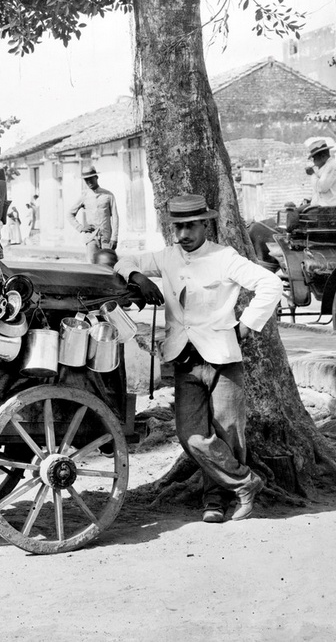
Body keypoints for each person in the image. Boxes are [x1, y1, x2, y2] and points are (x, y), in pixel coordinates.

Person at [116, 194, 281, 524]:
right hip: (185, 360)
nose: (183, 235)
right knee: (191, 435)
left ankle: (216, 501)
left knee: (228, 434)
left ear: (206, 224)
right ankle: (247, 483)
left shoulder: (225, 258)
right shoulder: (167, 257)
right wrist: (138, 277)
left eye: (190, 226)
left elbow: (270, 283)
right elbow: (121, 260)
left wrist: (248, 323)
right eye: (178, 227)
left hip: (223, 357)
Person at [69, 165, 120, 262]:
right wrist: (80, 228)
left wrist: (114, 238)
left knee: (107, 265)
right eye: (86, 180)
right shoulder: (84, 196)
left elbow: (115, 218)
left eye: (91, 178)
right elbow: (70, 214)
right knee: (92, 266)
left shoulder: (108, 195)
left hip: (106, 239)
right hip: (91, 238)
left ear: (96, 177)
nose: (89, 182)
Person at [305, 139, 336, 206]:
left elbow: (322, 187)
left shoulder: (331, 166)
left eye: (314, 158)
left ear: (323, 156)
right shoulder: (325, 167)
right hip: (322, 206)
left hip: (328, 207)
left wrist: (312, 174)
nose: (313, 161)